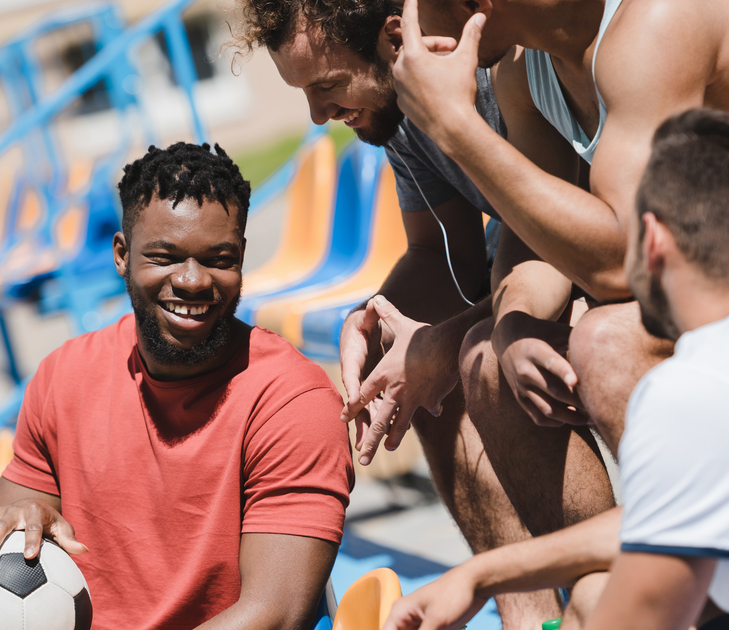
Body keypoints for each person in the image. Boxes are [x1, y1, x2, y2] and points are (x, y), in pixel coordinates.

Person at [385, 109, 729, 630]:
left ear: (651, 240)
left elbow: (640, 616)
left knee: (591, 606)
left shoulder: (692, 389)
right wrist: (482, 575)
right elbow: (660, 523)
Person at [232, 1, 616, 626]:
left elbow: (563, 250)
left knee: (477, 358)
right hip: (543, 267)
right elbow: (449, 256)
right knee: (416, 368)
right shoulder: (398, 112)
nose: (318, 115)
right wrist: (378, 317)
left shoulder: (499, 69)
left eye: (326, 86)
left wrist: (437, 345)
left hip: (603, 254)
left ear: (391, 41)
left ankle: (621, 599)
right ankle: (530, 618)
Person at [0, 142, 354, 630]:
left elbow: (275, 614)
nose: (192, 280)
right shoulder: (65, 376)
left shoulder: (292, 401)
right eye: (165, 256)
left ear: (241, 257)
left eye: (218, 258)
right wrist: (24, 516)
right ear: (122, 255)